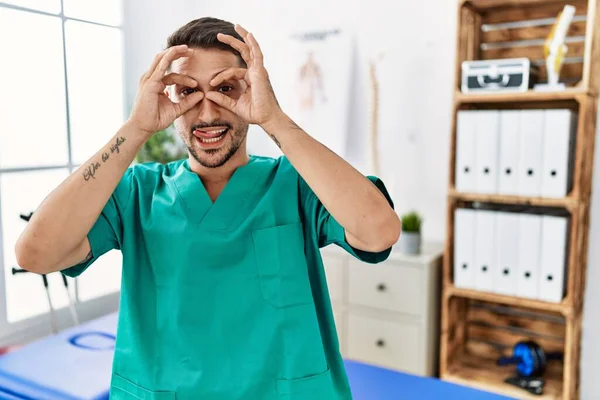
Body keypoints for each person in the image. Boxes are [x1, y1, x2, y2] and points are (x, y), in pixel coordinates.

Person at [15, 17, 401, 400]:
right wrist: (135, 128)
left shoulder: (296, 185)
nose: (208, 113)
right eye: (187, 92)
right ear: (168, 97)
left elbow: (379, 231)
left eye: (226, 89)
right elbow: (35, 253)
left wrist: (275, 120)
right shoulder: (137, 193)